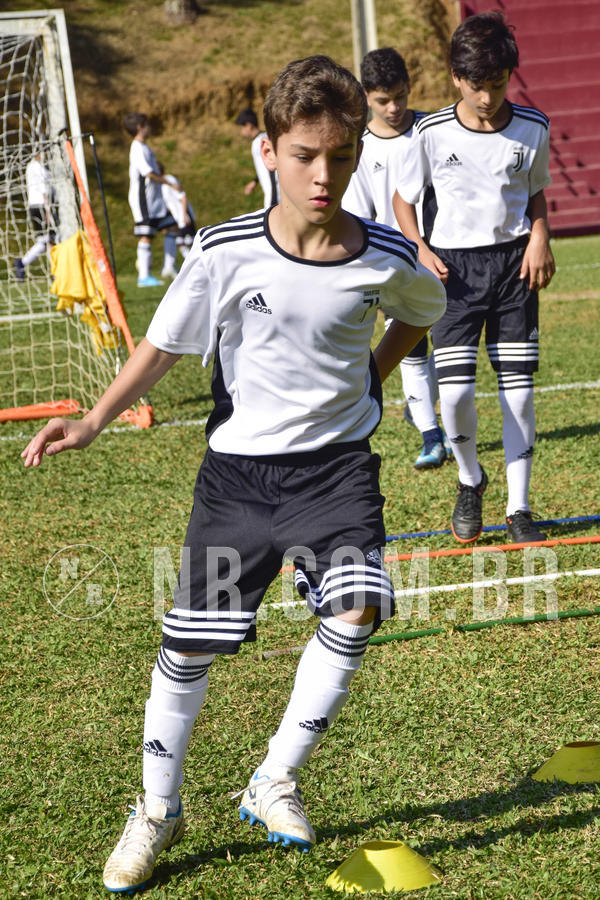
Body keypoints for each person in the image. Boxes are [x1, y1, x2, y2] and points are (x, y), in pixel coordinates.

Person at [23, 55, 445, 894]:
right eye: (303, 155)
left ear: (357, 149)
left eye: (339, 155)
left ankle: (273, 778)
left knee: (356, 609)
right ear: (270, 151)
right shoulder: (225, 250)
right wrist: (96, 417)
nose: (322, 175)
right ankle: (157, 808)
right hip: (240, 482)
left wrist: (370, 375)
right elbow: (163, 346)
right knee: (188, 652)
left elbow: (419, 313)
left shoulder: (387, 254)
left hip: (337, 476)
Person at [394, 11, 555, 544]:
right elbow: (403, 198)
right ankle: (470, 479)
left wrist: (539, 237)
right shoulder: (430, 132)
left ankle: (519, 508)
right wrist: (418, 248)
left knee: (520, 396)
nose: (489, 97)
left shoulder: (533, 127)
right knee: (457, 396)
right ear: (456, 78)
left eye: (499, 84)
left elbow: (535, 194)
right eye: (478, 86)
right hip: (454, 274)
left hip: (513, 269)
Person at [343, 47, 449, 471]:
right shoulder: (361, 148)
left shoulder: (432, 129)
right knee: (411, 348)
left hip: (448, 254)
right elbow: (361, 216)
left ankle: (424, 404)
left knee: (451, 345)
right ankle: (431, 435)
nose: (394, 107)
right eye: (384, 100)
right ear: (367, 96)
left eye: (401, 96)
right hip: (395, 264)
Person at [123, 112, 180, 288]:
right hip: (144, 201)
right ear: (140, 127)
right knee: (145, 235)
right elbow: (148, 172)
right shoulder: (137, 148)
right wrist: (169, 183)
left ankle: (169, 268)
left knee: (172, 226)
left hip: (155, 201)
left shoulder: (145, 147)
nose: (150, 128)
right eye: (147, 124)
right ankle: (144, 277)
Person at [14, 150, 57, 282]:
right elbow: (44, 189)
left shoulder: (31, 166)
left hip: (34, 205)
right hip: (41, 206)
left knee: (44, 241)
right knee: (50, 239)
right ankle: (55, 271)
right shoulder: (37, 167)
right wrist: (47, 210)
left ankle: (22, 263)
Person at [157, 163, 196, 277]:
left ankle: (197, 264)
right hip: (177, 219)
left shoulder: (169, 180)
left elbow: (182, 196)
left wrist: (184, 215)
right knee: (180, 242)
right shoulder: (162, 185)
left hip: (184, 217)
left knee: (190, 242)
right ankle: (191, 265)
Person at [235, 108, 279, 209]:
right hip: (273, 194)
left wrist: (273, 201)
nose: (241, 131)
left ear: (249, 125)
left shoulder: (260, 142)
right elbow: (266, 165)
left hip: (274, 195)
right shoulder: (263, 138)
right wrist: (255, 181)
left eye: (242, 127)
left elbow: (273, 166)